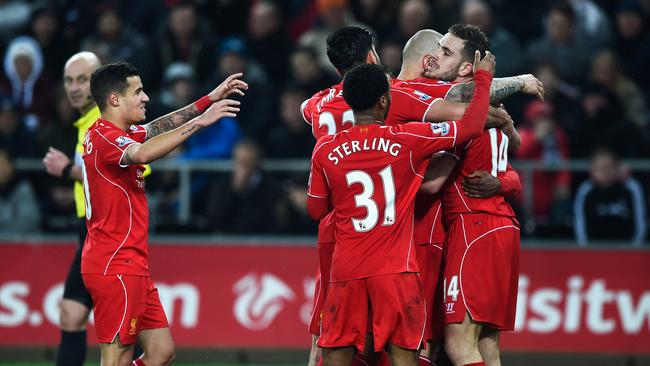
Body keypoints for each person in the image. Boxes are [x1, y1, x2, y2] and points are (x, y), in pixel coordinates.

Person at [300, 26, 505, 366]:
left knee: (328, 343)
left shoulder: (322, 128)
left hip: (341, 253)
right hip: (395, 263)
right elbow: (468, 125)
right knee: (411, 351)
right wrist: (485, 82)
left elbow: (315, 207)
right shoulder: (404, 138)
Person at [81, 62, 245, 366]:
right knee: (116, 358)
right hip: (114, 263)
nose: (146, 98)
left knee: (161, 352)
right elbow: (142, 154)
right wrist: (200, 123)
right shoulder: (106, 138)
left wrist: (208, 99)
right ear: (115, 99)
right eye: (138, 92)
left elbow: (159, 126)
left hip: (130, 261)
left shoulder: (119, 134)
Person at [425, 24, 522, 366]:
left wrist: (520, 80)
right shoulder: (488, 112)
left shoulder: (463, 104)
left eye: (446, 52)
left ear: (468, 68)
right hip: (500, 227)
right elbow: (516, 149)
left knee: (458, 343)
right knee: (486, 345)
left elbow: (433, 183)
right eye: (438, 47)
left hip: (474, 227)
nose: (436, 56)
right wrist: (507, 182)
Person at [42, 51, 102, 366]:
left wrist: (69, 170)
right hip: (89, 231)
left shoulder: (107, 120)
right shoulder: (85, 122)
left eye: (83, 79)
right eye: (69, 80)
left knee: (125, 332)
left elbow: (135, 169)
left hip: (109, 235)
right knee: (71, 314)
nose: (75, 87)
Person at [574, 148, 647, 246]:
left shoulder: (631, 187)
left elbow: (640, 225)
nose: (604, 172)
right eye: (599, 168)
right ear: (592, 170)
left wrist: (633, 249)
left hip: (627, 252)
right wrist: (587, 251)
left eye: (608, 167)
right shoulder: (586, 190)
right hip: (594, 252)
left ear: (617, 168)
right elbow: (580, 227)